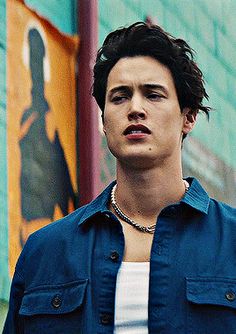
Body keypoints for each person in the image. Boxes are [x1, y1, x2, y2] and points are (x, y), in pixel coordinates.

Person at [3, 22, 236, 334]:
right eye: (119, 97)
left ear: (188, 116)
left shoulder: (231, 241)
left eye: (153, 95)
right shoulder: (45, 252)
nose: (135, 109)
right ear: (103, 119)